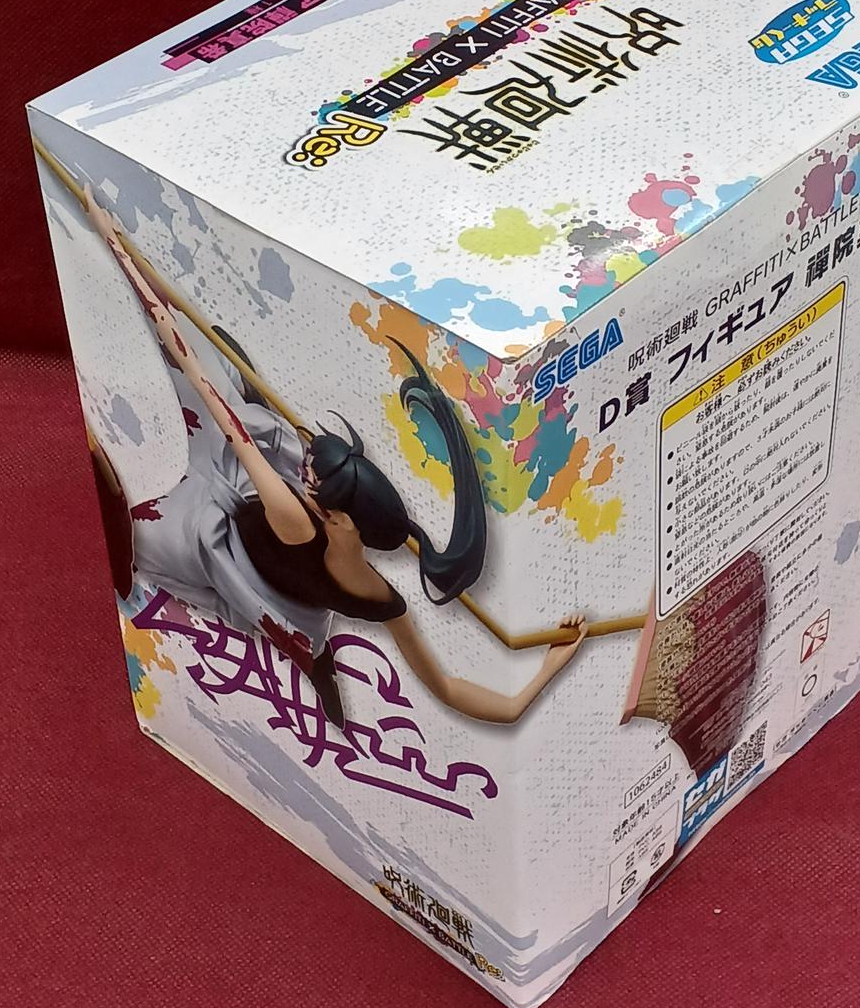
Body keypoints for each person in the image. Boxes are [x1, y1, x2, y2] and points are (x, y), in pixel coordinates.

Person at [81, 185, 587, 728]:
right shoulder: (379, 591)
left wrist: (115, 244)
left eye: (312, 477)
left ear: (340, 518)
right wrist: (549, 666)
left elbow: (197, 374)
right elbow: (456, 691)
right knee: (229, 381)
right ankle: (316, 659)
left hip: (225, 543)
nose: (307, 471)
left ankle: (149, 560)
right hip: (258, 498)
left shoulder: (296, 518)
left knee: (141, 533)